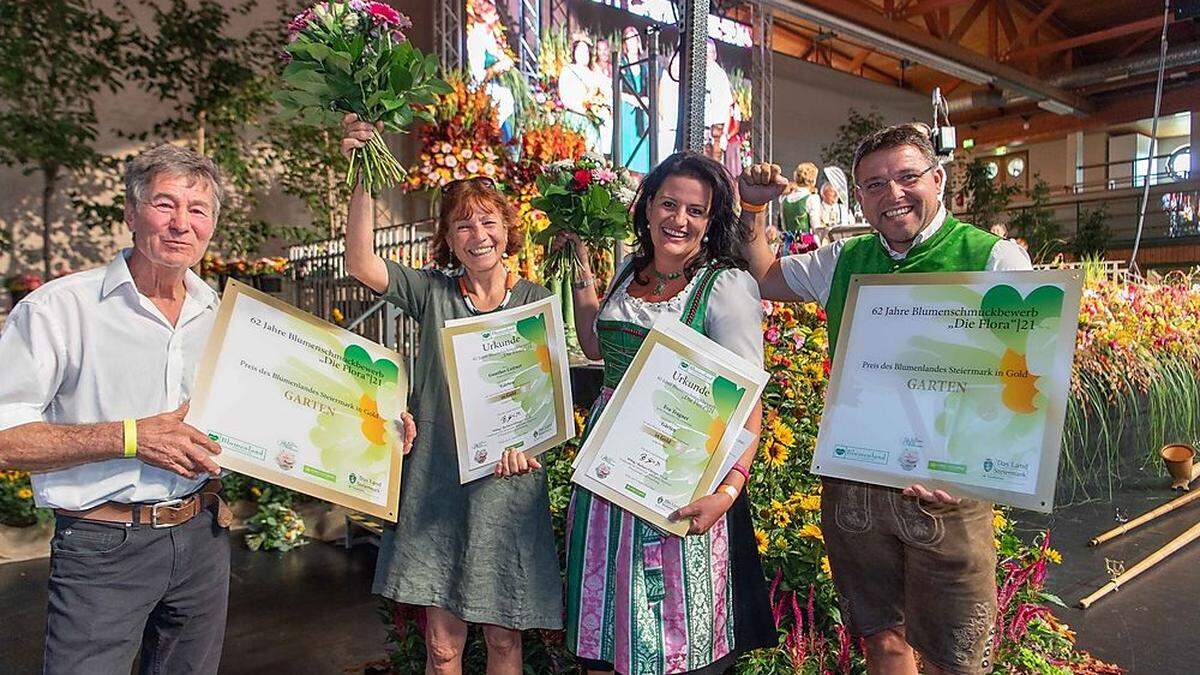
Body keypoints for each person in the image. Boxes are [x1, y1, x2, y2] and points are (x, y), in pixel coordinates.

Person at [0, 144, 418, 675]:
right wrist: (131, 437)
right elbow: (5, 436)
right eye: (164, 204)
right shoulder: (60, 309)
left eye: (197, 210)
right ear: (130, 213)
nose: (181, 224)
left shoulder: (225, 317)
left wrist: (377, 434)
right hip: (102, 545)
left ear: (212, 224)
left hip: (202, 538)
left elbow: (290, 410)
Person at [739, 124, 1032, 675]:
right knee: (882, 640)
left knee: (957, 660)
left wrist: (972, 467)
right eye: (873, 184)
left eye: (906, 177)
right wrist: (752, 208)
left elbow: (1023, 378)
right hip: (858, 484)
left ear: (937, 179)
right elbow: (765, 275)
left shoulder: (994, 259)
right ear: (858, 197)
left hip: (945, 490)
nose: (891, 193)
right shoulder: (843, 259)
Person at [340, 115, 563, 675]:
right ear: (447, 239)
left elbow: (546, 401)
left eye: (488, 222)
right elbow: (362, 263)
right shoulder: (433, 293)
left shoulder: (537, 302)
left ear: (509, 231)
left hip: (506, 485)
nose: (478, 235)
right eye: (463, 227)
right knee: (442, 648)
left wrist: (534, 447)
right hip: (437, 481)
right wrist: (361, 170)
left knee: (505, 642)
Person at [560, 152, 775, 675]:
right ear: (648, 208)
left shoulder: (726, 286)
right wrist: (582, 266)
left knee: (673, 627)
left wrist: (728, 490)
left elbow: (746, 397)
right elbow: (594, 345)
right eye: (669, 204)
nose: (680, 219)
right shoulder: (628, 271)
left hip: (680, 470)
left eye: (696, 211)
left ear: (711, 220)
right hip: (609, 466)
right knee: (607, 623)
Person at [779, 162, 821, 241]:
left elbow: (783, 225)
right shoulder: (812, 198)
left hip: (787, 244)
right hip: (805, 244)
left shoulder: (784, 197)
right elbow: (816, 227)